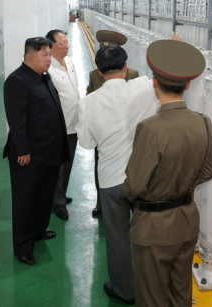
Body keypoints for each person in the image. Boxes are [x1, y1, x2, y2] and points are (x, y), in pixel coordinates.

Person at [123, 39, 212, 307]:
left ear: (154, 82)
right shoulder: (203, 122)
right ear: (188, 85)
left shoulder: (151, 128)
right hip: (186, 222)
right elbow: (207, 172)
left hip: (154, 228)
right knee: (180, 294)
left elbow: (134, 185)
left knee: (152, 298)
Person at [77, 44, 159, 305]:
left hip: (111, 180)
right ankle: (152, 287)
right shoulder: (144, 88)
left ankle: (125, 290)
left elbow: (86, 143)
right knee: (148, 235)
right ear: (126, 67)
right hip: (142, 177)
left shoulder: (88, 103)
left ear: (99, 71)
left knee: (117, 238)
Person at [3, 37, 70, 266]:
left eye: (50, 54)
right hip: (29, 156)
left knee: (43, 196)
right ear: (30, 56)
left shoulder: (43, 76)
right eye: (45, 55)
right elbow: (16, 119)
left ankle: (39, 230)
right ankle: (23, 247)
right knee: (25, 201)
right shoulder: (17, 81)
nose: (49, 59)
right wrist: (22, 149)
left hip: (48, 152)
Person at [86, 30, 140, 218]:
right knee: (100, 167)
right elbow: (89, 95)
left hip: (126, 129)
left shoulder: (132, 74)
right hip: (103, 132)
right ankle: (101, 203)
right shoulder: (94, 75)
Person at [45, 29, 81, 221]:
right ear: (51, 46)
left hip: (74, 122)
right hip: (59, 125)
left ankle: (61, 193)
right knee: (58, 166)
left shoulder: (70, 62)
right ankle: (57, 202)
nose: (66, 45)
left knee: (68, 162)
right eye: (62, 43)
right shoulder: (48, 69)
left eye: (67, 42)